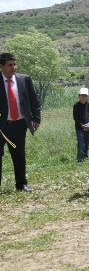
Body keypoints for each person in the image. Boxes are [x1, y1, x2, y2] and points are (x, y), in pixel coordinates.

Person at [0, 52, 40, 192]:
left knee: (19, 155)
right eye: (10, 65)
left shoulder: (24, 79)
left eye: (15, 64)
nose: (13, 67)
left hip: (19, 124)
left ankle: (21, 184)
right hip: (1, 125)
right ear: (1, 66)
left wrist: (36, 118)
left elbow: (33, 100)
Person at [73, 87, 89, 163]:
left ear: (87, 96)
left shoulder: (88, 105)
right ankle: (79, 159)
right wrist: (81, 125)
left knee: (87, 143)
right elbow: (76, 117)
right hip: (80, 128)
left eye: (85, 95)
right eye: (82, 95)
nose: (84, 97)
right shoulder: (76, 106)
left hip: (88, 127)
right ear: (79, 96)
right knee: (81, 144)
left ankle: (85, 156)